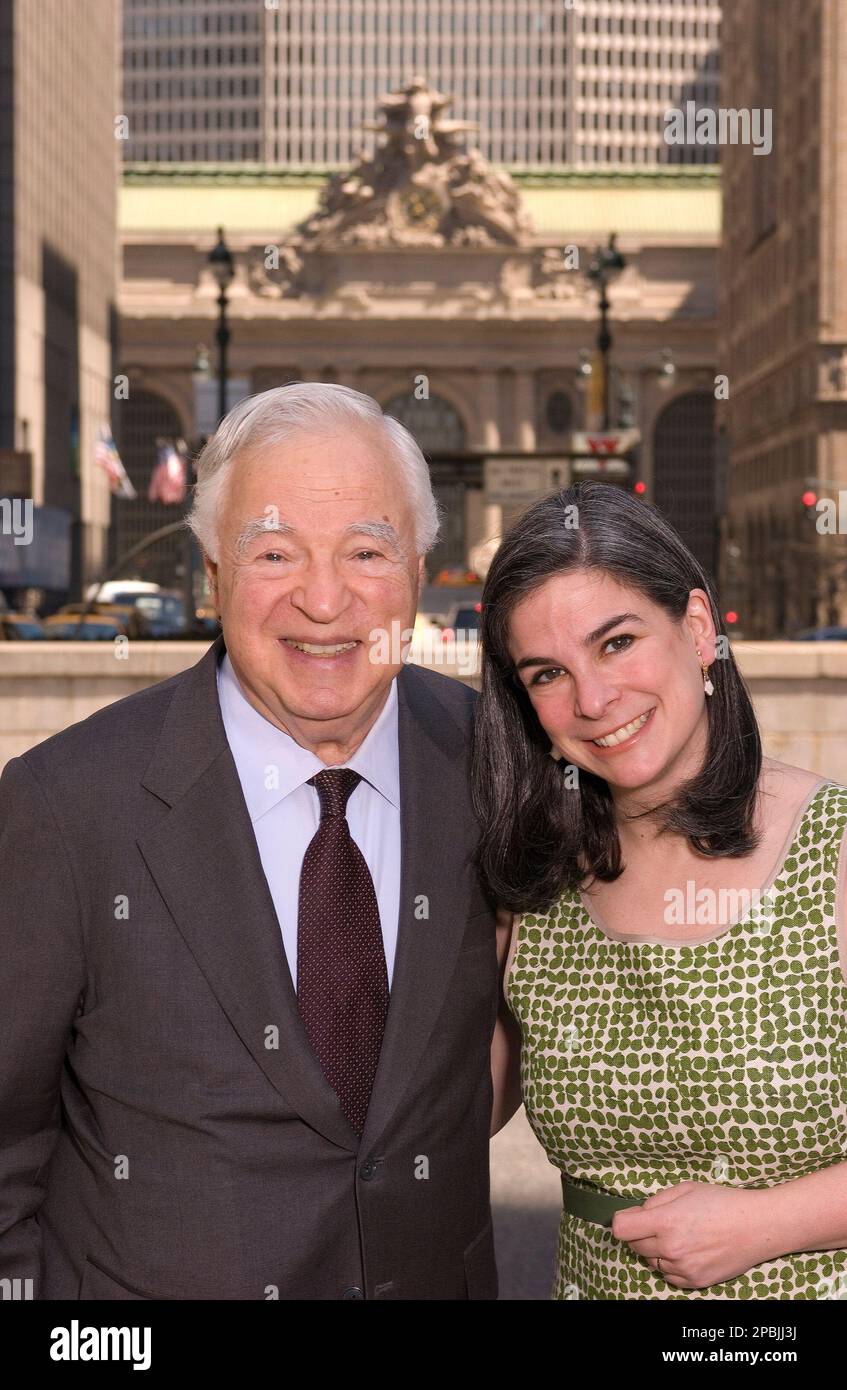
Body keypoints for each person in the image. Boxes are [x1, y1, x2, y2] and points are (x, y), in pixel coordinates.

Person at [0, 382, 510, 1301]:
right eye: (274, 552)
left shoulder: (494, 767)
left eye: (365, 550)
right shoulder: (65, 807)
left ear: (419, 568)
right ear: (212, 575)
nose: (324, 599)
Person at [475, 480, 847, 1300]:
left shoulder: (833, 850)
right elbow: (453, 1116)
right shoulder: (534, 886)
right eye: (546, 673)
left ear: (697, 627)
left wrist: (764, 1224)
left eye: (616, 643)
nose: (593, 700)